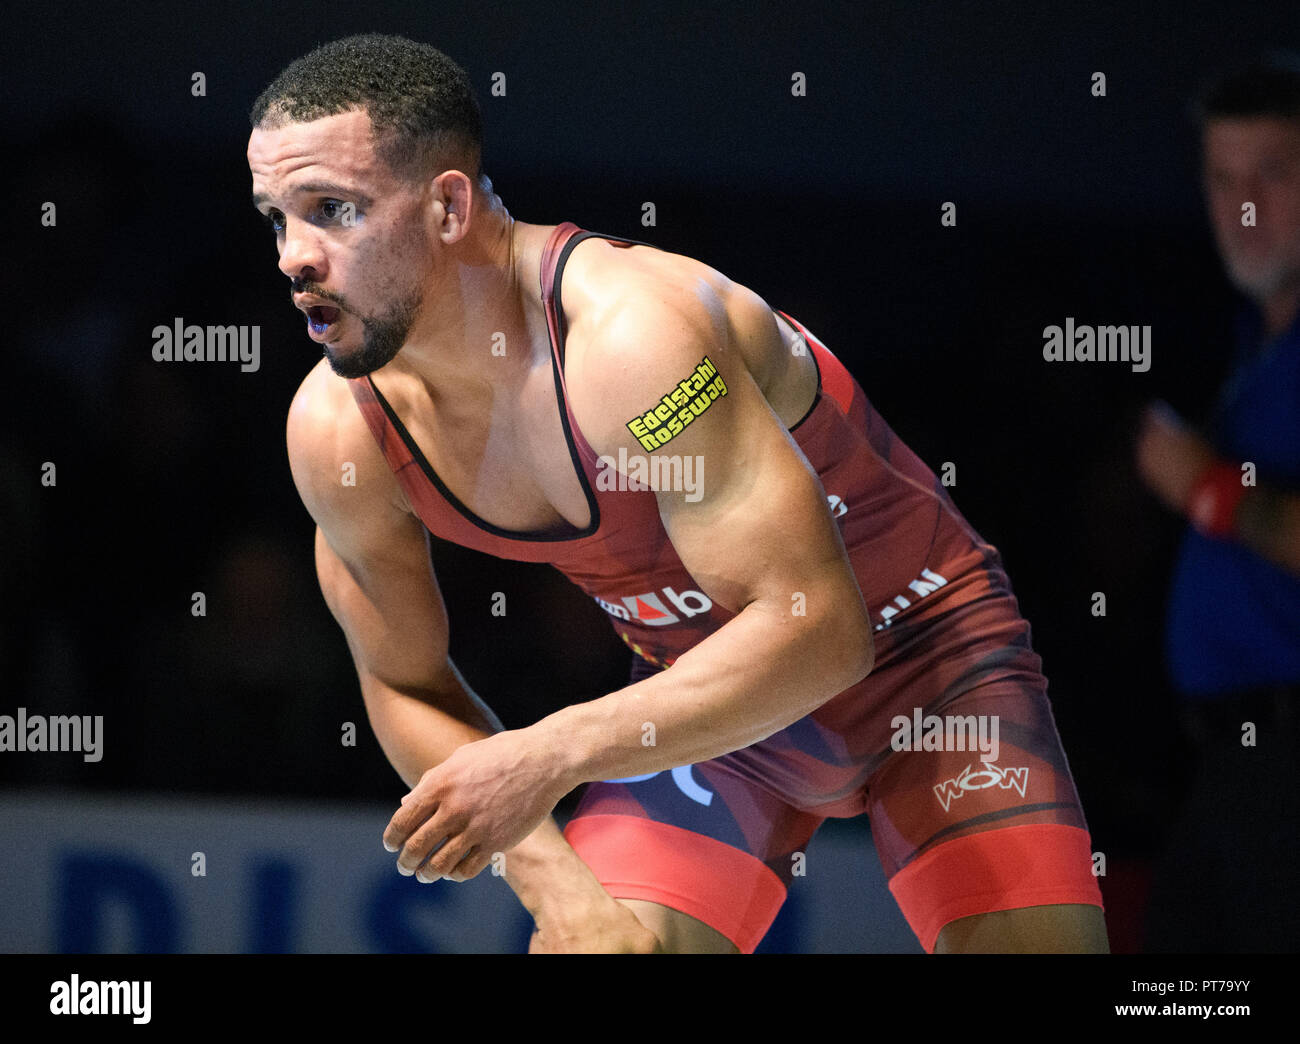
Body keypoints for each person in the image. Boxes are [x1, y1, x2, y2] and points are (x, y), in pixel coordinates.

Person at [248, 33, 1107, 953]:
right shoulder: (339, 433)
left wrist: (547, 752)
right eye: (274, 220)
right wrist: (564, 898)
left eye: (332, 210)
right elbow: (402, 678)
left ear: (449, 204)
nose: (294, 256)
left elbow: (820, 629)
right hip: (710, 713)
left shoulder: (629, 339)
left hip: (930, 667)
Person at [1136, 52, 1300, 952]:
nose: (1244, 210)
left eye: (1272, 176)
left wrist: (1202, 486)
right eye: (1223, 179)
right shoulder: (1253, 343)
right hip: (1230, 763)